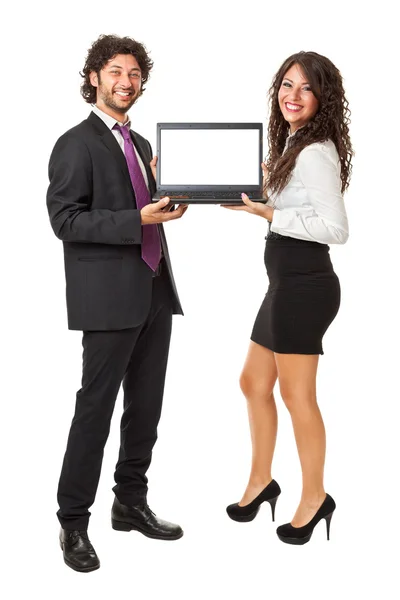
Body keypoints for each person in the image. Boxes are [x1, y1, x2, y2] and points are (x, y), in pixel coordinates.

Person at [46, 34, 188, 572]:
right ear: (94, 78)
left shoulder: (141, 145)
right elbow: (65, 220)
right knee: (96, 411)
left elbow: (141, 207)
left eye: (134, 74)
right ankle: (73, 523)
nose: (126, 82)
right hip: (107, 299)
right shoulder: (75, 143)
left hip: (154, 288)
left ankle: (129, 502)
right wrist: (139, 221)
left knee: (145, 408)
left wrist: (166, 205)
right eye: (115, 72)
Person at [222, 51, 352, 545]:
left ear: (321, 99)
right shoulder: (296, 144)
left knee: (298, 396)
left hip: (306, 287)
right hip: (285, 285)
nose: (291, 97)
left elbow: (336, 229)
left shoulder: (316, 150)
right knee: (254, 381)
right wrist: (263, 195)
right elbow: (296, 204)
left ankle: (316, 498)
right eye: (286, 85)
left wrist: (270, 216)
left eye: (304, 89)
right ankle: (261, 482)